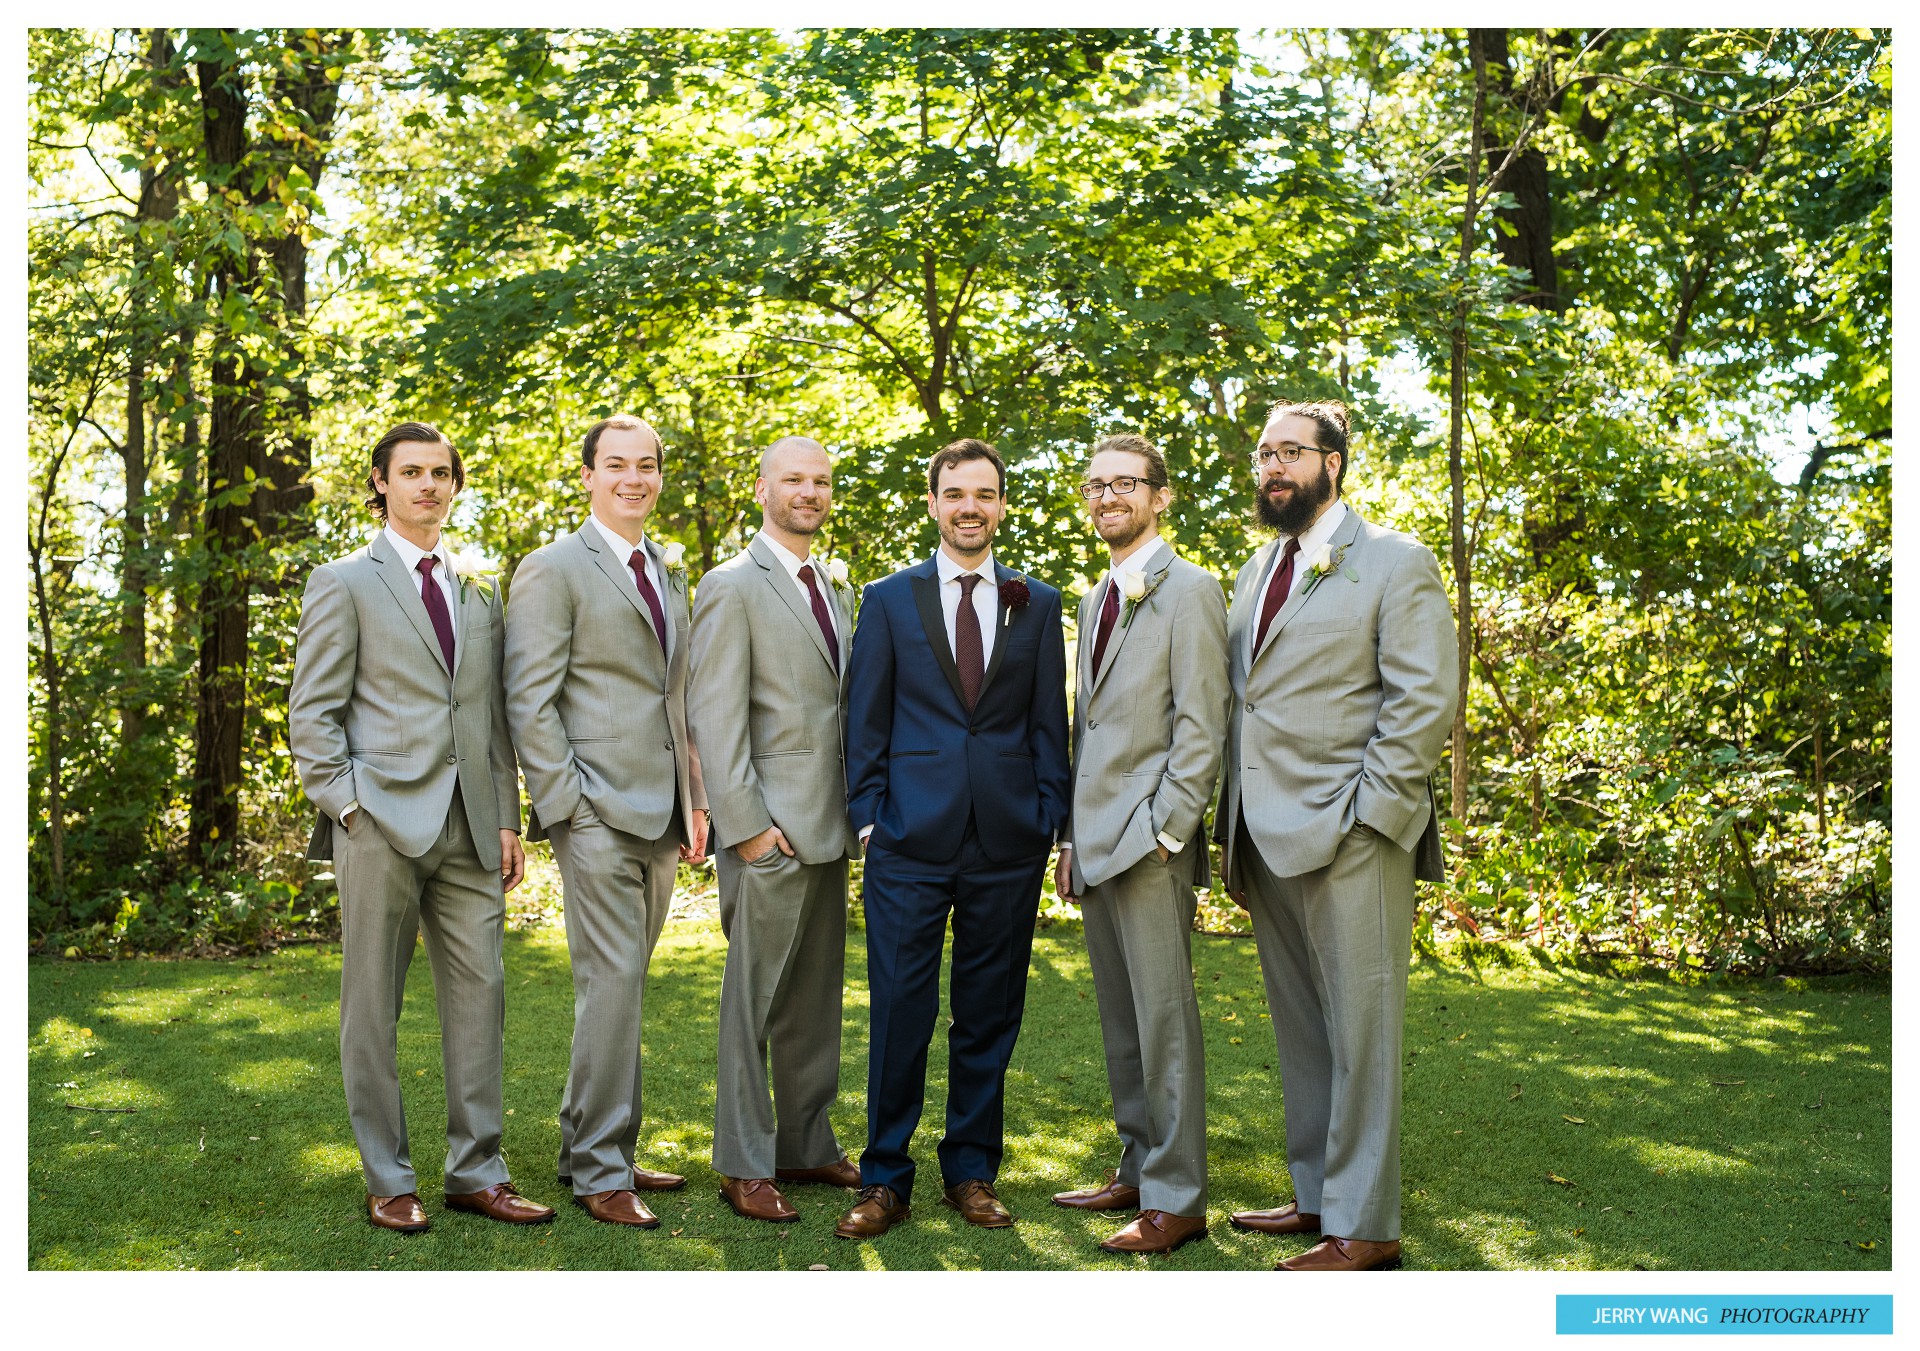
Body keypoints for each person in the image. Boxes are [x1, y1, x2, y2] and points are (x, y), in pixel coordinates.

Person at [290, 421, 554, 1232]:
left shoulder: (481, 590)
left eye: (441, 473)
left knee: (483, 1000)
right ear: (381, 482)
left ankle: (477, 1171)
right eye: (411, 472)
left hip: (473, 827)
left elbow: (493, 716)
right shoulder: (343, 581)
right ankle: (389, 1177)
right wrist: (350, 807)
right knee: (371, 1004)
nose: (429, 485)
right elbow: (312, 714)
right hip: (378, 824)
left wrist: (508, 817)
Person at [1214, 399, 1456, 1272]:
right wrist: (1230, 823)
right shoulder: (1254, 568)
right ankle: (1317, 1195)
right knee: (1304, 1029)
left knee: (1362, 1031)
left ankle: (1367, 1226)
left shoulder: (1396, 561)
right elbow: (1249, 699)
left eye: (1291, 452)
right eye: (1263, 454)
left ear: (1335, 463)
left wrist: (1371, 817)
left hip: (1354, 836)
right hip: (1264, 835)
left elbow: (1424, 698)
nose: (1273, 467)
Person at [834, 438, 1070, 1239]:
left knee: (989, 1012)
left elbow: (1049, 723)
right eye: (956, 493)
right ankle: (883, 1177)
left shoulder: (1036, 601)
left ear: (1002, 505)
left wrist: (1047, 815)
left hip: (1007, 839)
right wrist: (870, 817)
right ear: (932, 502)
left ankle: (971, 1169)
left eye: (986, 493)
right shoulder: (889, 599)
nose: (971, 506)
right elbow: (863, 717)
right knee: (900, 1009)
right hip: (907, 838)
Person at [504, 414, 708, 1229]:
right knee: (612, 983)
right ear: (587, 474)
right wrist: (566, 807)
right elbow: (530, 697)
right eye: (616, 464)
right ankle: (596, 1168)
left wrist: (695, 799)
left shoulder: (665, 566)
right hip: (593, 809)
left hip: (660, 811)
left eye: (648, 465)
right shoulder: (553, 568)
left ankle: (604, 1146)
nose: (635, 477)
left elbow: (676, 696)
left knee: (623, 987)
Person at [1051, 433, 1229, 1255]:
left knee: (1165, 1019)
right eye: (1095, 485)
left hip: (1151, 842)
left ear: (1162, 495)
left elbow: (1202, 721)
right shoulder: (1096, 597)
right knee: (1123, 1021)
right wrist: (1071, 839)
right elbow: (1090, 729)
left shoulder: (1191, 589)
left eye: (1125, 483)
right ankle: (1137, 1164)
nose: (1107, 496)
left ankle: (1178, 1196)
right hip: (1096, 840)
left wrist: (1169, 828)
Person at [687, 436, 863, 1223]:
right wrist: (747, 826)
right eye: (794, 479)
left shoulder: (837, 583)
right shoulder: (731, 585)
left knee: (815, 997)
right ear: (761, 487)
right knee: (752, 1000)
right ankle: (742, 1159)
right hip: (770, 830)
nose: (810, 492)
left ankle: (806, 1140)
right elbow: (714, 715)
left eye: (821, 481)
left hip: (831, 824)